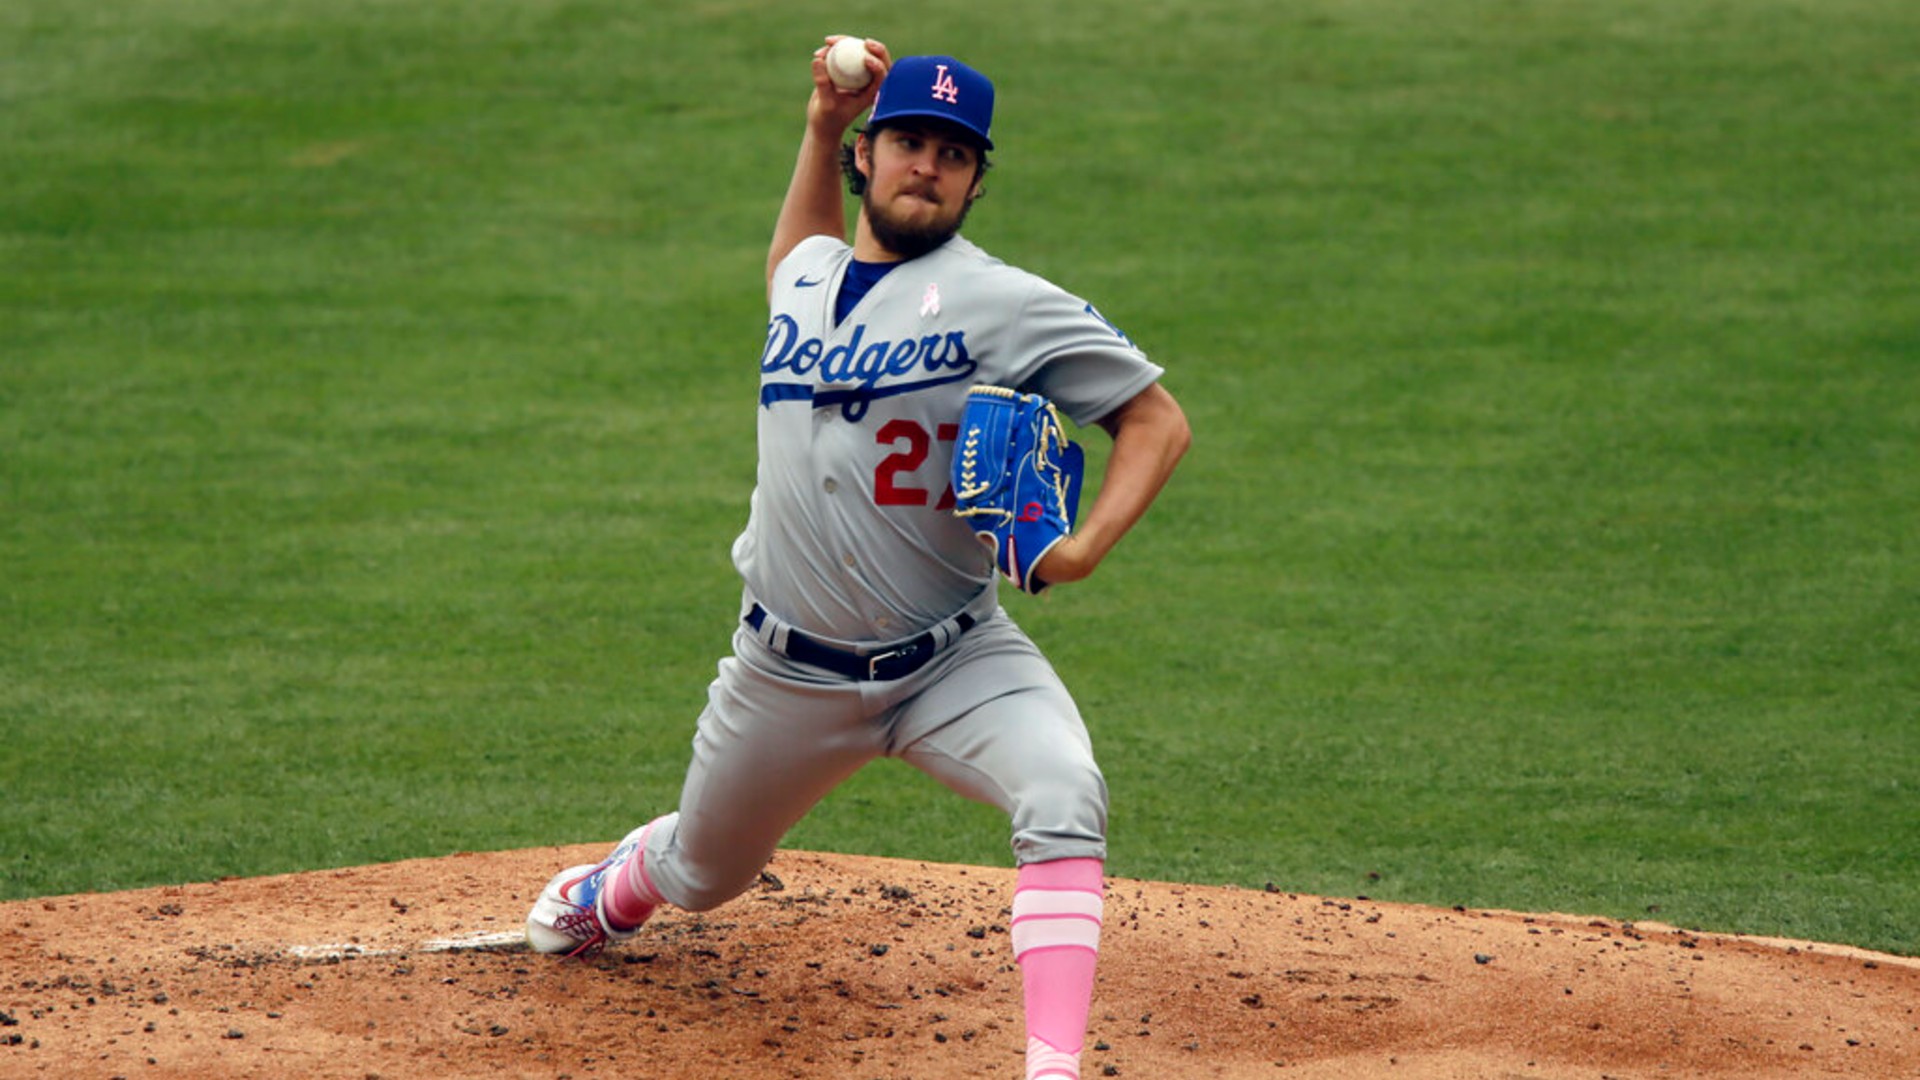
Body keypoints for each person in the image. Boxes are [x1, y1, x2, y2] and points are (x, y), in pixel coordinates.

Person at [526, 37, 1190, 1080]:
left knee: (1065, 789)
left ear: (975, 181)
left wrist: (1084, 549)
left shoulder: (1008, 302)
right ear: (869, 158)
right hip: (786, 673)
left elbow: (1155, 419)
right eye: (909, 143)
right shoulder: (806, 279)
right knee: (703, 872)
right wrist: (817, 125)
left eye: (954, 154)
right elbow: (795, 252)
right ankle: (621, 890)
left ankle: (1053, 1067)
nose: (928, 165)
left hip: (954, 661)